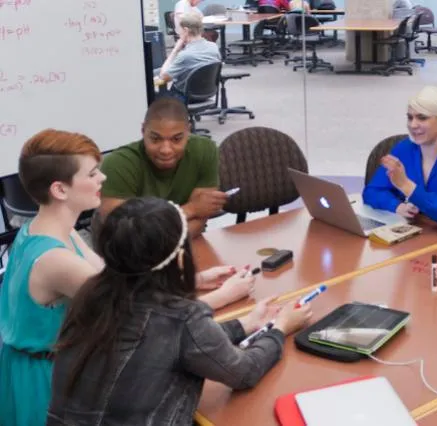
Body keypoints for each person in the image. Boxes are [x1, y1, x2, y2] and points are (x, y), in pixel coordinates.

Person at [47, 197, 313, 424]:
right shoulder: (181, 316)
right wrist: (279, 329)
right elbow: (243, 372)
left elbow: (172, 344)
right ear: (181, 258)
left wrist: (243, 325)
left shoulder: (90, 295)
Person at [0, 129, 106, 426]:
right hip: (45, 382)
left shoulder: (46, 226)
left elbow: (105, 276)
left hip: (28, 366)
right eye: (93, 173)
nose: (102, 179)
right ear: (60, 190)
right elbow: (131, 308)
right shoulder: (57, 260)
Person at [99, 97, 226, 238]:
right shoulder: (118, 164)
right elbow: (124, 233)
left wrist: (151, 231)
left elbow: (199, 220)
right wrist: (191, 209)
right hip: (132, 255)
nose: (166, 150)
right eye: (155, 139)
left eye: (176, 139)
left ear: (188, 132)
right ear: (143, 131)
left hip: (187, 245)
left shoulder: (205, 150)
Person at [362, 86, 437, 230]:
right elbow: (371, 191)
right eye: (410, 117)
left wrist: (407, 186)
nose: (412, 125)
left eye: (422, 117)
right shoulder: (404, 148)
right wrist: (397, 206)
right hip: (421, 227)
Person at [159, 11, 221, 101]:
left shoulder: (185, 55)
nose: (177, 32)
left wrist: (175, 50)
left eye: (178, 29)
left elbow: (163, 77)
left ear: (186, 30)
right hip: (206, 95)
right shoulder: (214, 47)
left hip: (183, 97)